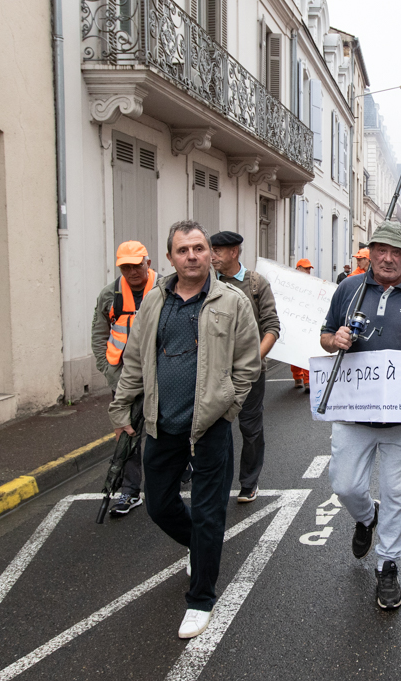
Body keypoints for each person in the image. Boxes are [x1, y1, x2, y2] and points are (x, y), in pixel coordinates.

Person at [108, 220, 261, 639]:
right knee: (158, 504)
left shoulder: (232, 301)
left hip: (210, 424)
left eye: (198, 248)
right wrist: (122, 407)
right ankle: (199, 545)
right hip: (162, 421)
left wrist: (228, 406)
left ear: (210, 254)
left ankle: (201, 599)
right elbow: (136, 360)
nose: (192, 256)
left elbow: (248, 363)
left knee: (211, 512)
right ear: (171, 257)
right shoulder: (155, 302)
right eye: (183, 250)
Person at [320, 220, 401, 610]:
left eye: (398, 252)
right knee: (345, 485)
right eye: (381, 250)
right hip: (353, 411)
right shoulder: (349, 288)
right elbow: (324, 334)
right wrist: (334, 338)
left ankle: (388, 566)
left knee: (399, 494)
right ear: (370, 251)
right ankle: (366, 515)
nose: (388, 258)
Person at [210, 231, 282, 503]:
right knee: (213, 428)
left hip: (251, 374)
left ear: (234, 252)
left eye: (217, 250)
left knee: (250, 428)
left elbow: (272, 327)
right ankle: (216, 481)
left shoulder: (255, 283)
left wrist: (254, 362)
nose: (212, 255)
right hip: (214, 373)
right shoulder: (207, 283)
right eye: (211, 250)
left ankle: (249, 483)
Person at [90, 240, 157, 516]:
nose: (131, 271)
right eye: (125, 267)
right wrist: (110, 374)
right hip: (122, 376)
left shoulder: (166, 288)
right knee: (127, 433)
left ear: (148, 263)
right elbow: (99, 337)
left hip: (158, 373)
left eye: (136, 265)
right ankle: (130, 491)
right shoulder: (110, 295)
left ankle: (171, 476)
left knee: (163, 428)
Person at [291, 258, 315, 390]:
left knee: (306, 351)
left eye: (309, 269)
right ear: (298, 268)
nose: (308, 271)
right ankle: (297, 377)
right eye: (306, 268)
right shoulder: (289, 283)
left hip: (306, 322)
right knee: (294, 351)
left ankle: (307, 380)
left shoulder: (312, 283)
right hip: (294, 321)